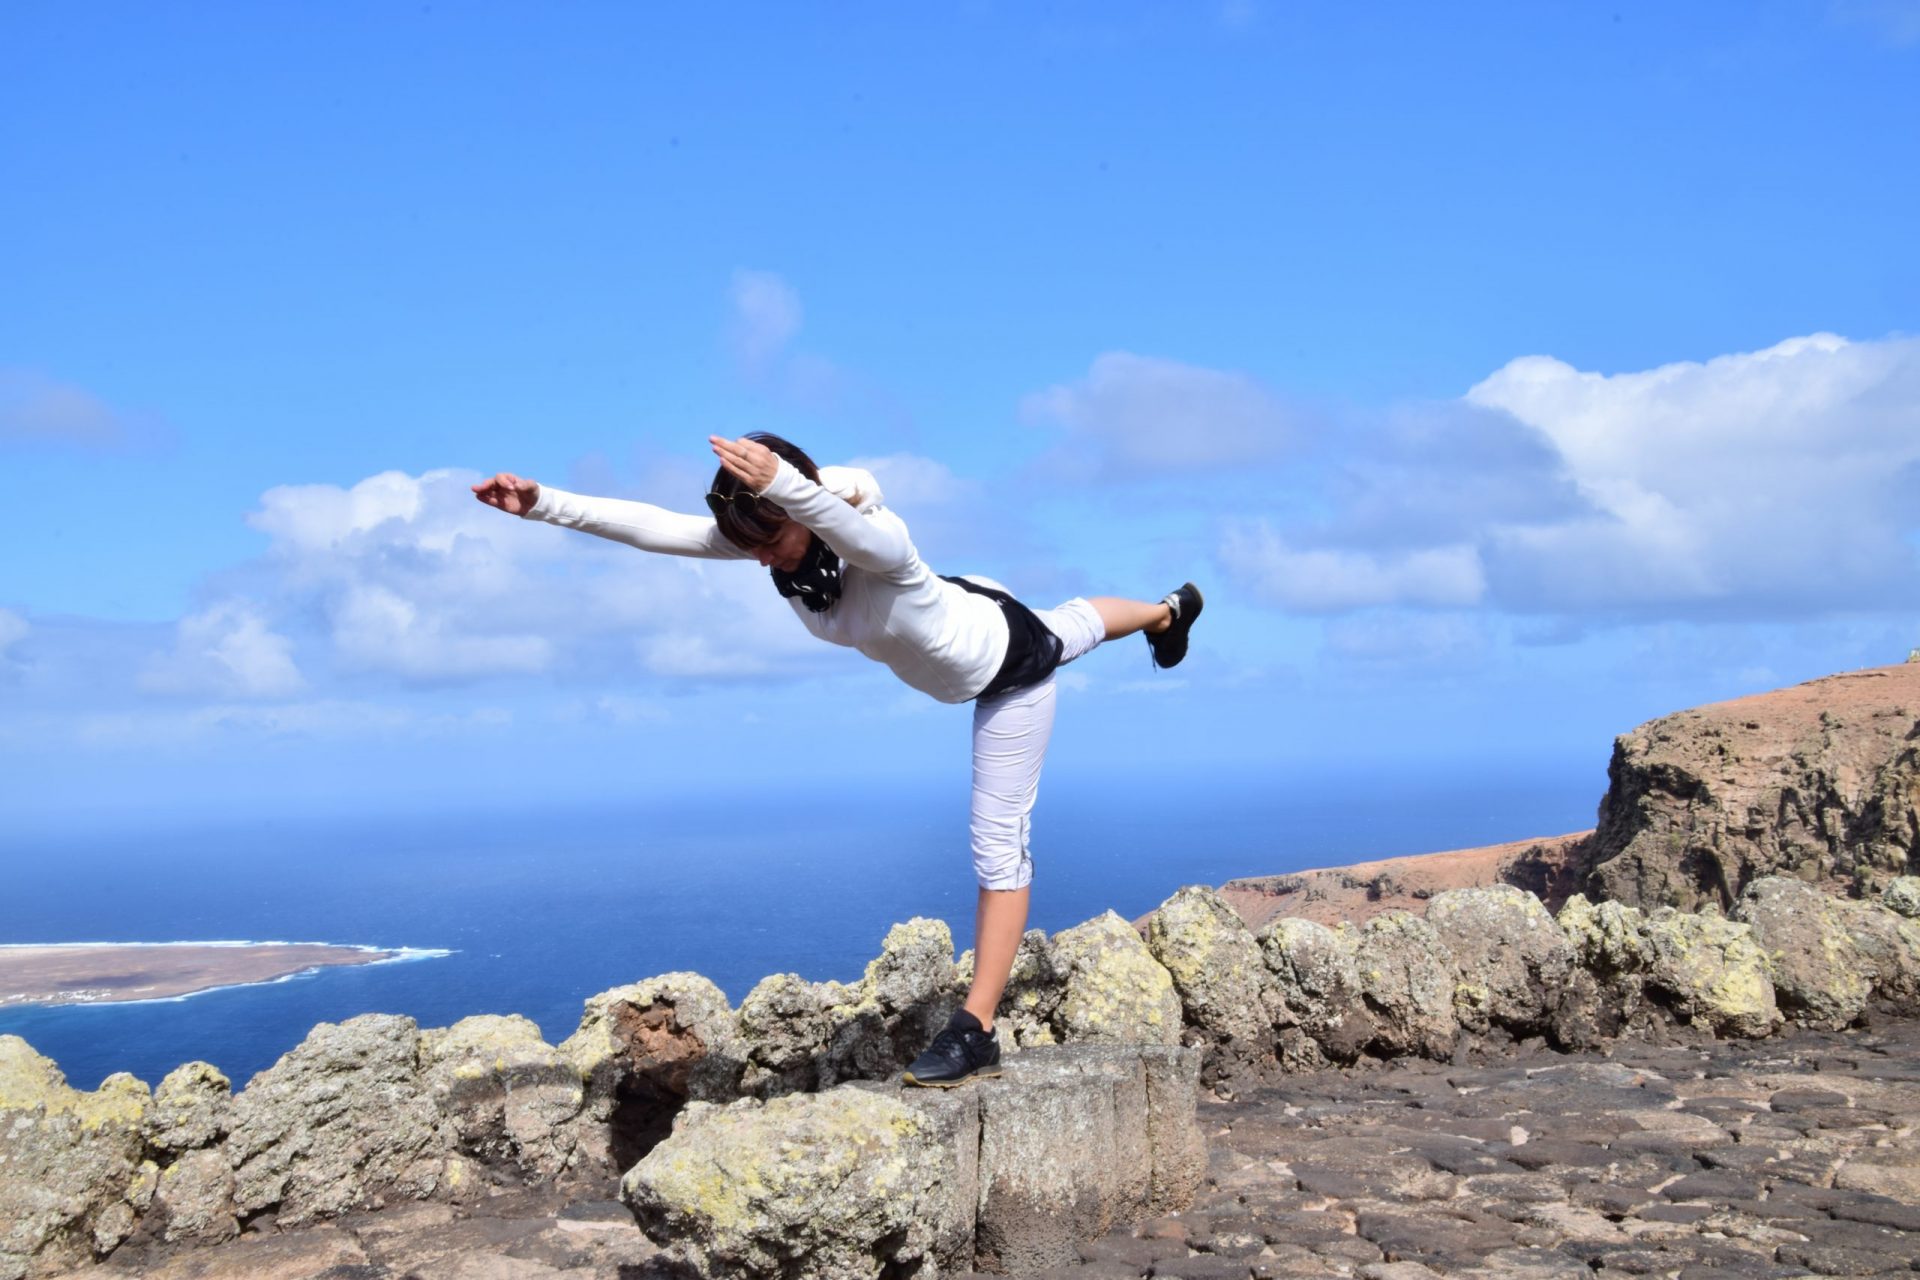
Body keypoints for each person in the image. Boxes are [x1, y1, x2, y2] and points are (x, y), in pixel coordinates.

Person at [473, 432, 1202, 1087]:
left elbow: (852, 523)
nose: (760, 555)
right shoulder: (771, 539)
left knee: (999, 840)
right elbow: (659, 530)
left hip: (1006, 667)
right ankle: (1172, 611)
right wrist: (544, 504)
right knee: (1074, 621)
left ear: (803, 507)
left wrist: (791, 486)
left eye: (770, 535)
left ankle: (976, 1030)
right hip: (972, 606)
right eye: (749, 541)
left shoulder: (877, 546)